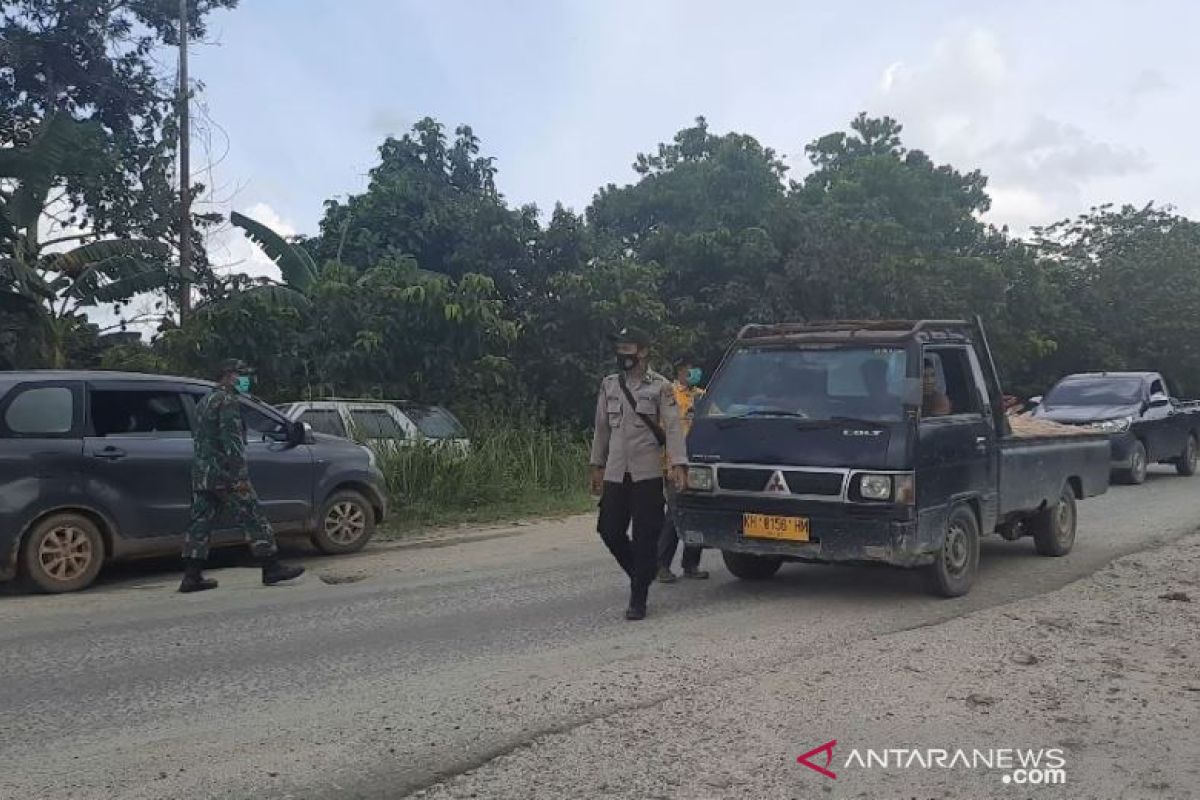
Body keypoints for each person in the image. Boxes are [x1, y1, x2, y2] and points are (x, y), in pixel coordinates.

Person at [178, 359, 305, 593]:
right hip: (227, 474)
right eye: (242, 375)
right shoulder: (227, 401)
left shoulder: (205, 401)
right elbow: (232, 442)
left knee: (200, 524)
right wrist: (240, 476)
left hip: (204, 473)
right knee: (254, 517)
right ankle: (271, 567)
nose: (247, 380)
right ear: (228, 375)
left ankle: (191, 576)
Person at [589, 327, 687, 620]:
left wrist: (678, 464)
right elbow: (601, 428)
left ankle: (638, 598)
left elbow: (672, 427)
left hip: (647, 474)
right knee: (608, 529)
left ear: (642, 351)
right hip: (617, 473)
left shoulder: (661, 387)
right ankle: (641, 574)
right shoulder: (609, 385)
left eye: (628, 347)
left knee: (646, 536)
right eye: (619, 347)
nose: (622, 353)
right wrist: (597, 465)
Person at [657, 358, 708, 583]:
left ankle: (691, 564)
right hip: (675, 464)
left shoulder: (702, 395)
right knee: (675, 515)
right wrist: (669, 465)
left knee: (696, 513)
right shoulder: (669, 395)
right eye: (690, 369)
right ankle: (661, 565)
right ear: (680, 371)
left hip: (698, 464)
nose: (694, 372)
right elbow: (662, 432)